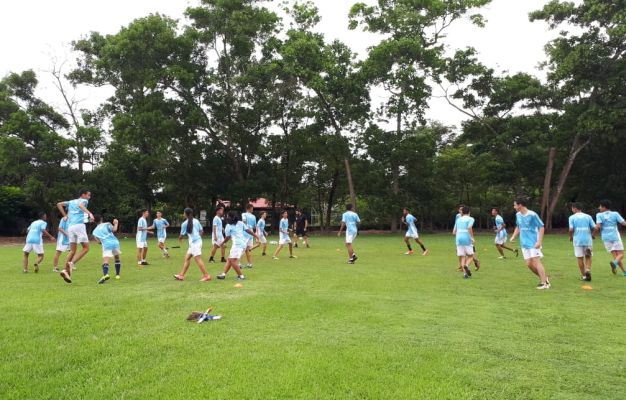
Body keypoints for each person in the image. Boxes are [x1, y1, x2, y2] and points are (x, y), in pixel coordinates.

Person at [509, 198, 550, 289]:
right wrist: (513, 236)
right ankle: (545, 278)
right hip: (524, 243)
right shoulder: (518, 214)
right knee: (529, 264)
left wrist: (539, 241)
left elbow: (541, 227)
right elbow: (518, 227)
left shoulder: (532, 214)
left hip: (533, 242)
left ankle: (544, 284)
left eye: (515, 205)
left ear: (520, 205)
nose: (514, 207)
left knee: (536, 262)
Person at [57, 189, 95, 283]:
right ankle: (71, 263)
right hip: (79, 226)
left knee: (73, 250)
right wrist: (90, 213)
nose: (89, 197)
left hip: (70, 227)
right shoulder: (84, 201)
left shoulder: (71, 201)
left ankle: (65, 270)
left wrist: (65, 215)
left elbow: (59, 204)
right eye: (88, 195)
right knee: (86, 248)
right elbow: (80, 205)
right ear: (83, 195)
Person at [217, 210, 259, 280]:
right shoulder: (240, 223)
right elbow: (248, 230)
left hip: (237, 245)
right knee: (229, 259)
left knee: (232, 261)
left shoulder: (228, 226)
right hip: (242, 245)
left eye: (228, 216)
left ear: (232, 218)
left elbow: (228, 237)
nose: (227, 218)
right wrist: (256, 236)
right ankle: (223, 274)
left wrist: (222, 243)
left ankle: (241, 276)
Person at [173, 208, 211, 282]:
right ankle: (181, 275)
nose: (183, 214)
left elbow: (181, 235)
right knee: (187, 258)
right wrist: (198, 237)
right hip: (197, 242)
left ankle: (206, 276)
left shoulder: (184, 224)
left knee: (198, 259)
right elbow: (201, 231)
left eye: (183, 213)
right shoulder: (196, 221)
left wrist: (180, 239)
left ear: (185, 214)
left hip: (194, 244)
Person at [595, 199, 626, 276]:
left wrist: (594, 231)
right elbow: (624, 223)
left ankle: (624, 272)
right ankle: (614, 264)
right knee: (621, 254)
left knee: (616, 256)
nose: (599, 208)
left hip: (605, 238)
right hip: (615, 236)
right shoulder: (615, 214)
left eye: (600, 206)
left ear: (604, 207)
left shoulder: (599, 215)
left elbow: (598, 226)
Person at [569, 202, 595, 281]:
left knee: (580, 258)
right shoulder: (588, 216)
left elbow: (571, 229)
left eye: (572, 208)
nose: (572, 209)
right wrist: (593, 234)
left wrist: (571, 236)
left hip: (577, 240)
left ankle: (584, 276)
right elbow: (595, 227)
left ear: (575, 208)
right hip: (587, 240)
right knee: (588, 256)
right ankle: (587, 270)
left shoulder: (572, 217)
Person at [92, 215, 122, 283]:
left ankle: (106, 275)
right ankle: (117, 275)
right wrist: (116, 223)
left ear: (94, 221)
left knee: (106, 260)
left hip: (106, 244)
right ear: (101, 219)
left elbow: (99, 242)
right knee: (117, 258)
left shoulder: (94, 232)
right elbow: (114, 229)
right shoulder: (107, 224)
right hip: (115, 242)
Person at [454, 205, 480, 270]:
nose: (460, 211)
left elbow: (456, 230)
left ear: (462, 211)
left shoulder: (461, 219)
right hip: (464, 237)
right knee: (469, 255)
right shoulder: (467, 218)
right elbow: (468, 227)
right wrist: (472, 237)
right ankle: (465, 265)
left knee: (465, 255)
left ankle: (466, 270)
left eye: (461, 210)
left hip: (461, 237)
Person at [241, 204, 257, 268]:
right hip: (251, 233)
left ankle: (239, 263)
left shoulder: (243, 214)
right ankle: (249, 263)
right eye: (252, 208)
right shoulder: (253, 216)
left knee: (244, 249)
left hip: (245, 232)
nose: (252, 209)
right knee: (247, 249)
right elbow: (254, 226)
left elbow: (244, 222)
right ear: (249, 208)